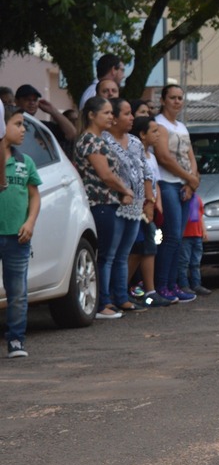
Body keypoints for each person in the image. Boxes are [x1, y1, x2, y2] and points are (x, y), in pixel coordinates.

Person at [73, 96, 137, 319]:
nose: (111, 116)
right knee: (105, 256)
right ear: (92, 115)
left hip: (109, 202)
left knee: (111, 254)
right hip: (100, 202)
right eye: (107, 113)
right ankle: (102, 303)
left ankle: (112, 299)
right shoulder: (90, 140)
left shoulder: (100, 140)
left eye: (112, 113)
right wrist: (125, 190)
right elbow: (106, 175)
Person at [103, 98, 155, 311]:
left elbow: (146, 171)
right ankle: (105, 299)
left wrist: (149, 201)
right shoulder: (104, 142)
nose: (132, 117)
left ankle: (122, 296)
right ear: (113, 118)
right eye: (126, 114)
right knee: (109, 254)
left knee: (125, 253)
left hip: (136, 206)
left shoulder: (134, 141)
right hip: (115, 204)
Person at [152, 85, 199, 303]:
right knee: (170, 237)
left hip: (183, 186)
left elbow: (191, 157)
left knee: (178, 238)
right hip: (167, 183)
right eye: (173, 98)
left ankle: (173, 284)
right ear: (163, 100)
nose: (177, 102)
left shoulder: (181, 126)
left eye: (180, 98)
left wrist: (191, 183)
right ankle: (162, 285)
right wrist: (189, 178)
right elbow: (164, 157)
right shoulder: (159, 125)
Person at [1, 105, 40, 357]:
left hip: (17, 236)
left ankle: (16, 339)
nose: (23, 129)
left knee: (17, 292)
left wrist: (30, 222)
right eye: (17, 124)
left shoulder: (24, 162)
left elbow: (35, 196)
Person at [128, 115, 172, 306]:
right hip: (140, 207)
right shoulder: (134, 154)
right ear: (142, 135)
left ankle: (150, 289)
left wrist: (157, 203)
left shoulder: (151, 157)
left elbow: (156, 183)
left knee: (150, 247)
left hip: (152, 206)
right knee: (139, 248)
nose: (158, 135)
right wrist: (148, 202)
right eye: (153, 131)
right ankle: (124, 288)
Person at [14, 84, 76, 151]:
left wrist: (53, 111)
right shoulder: (9, 124)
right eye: (27, 99)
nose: (32, 103)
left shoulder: (42, 126)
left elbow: (72, 134)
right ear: (16, 101)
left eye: (35, 100)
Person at [179, 193, 211, 294]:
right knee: (184, 262)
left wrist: (204, 231)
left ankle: (196, 284)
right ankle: (183, 285)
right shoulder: (182, 196)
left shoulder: (197, 198)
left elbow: (200, 216)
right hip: (185, 235)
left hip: (197, 235)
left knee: (195, 262)